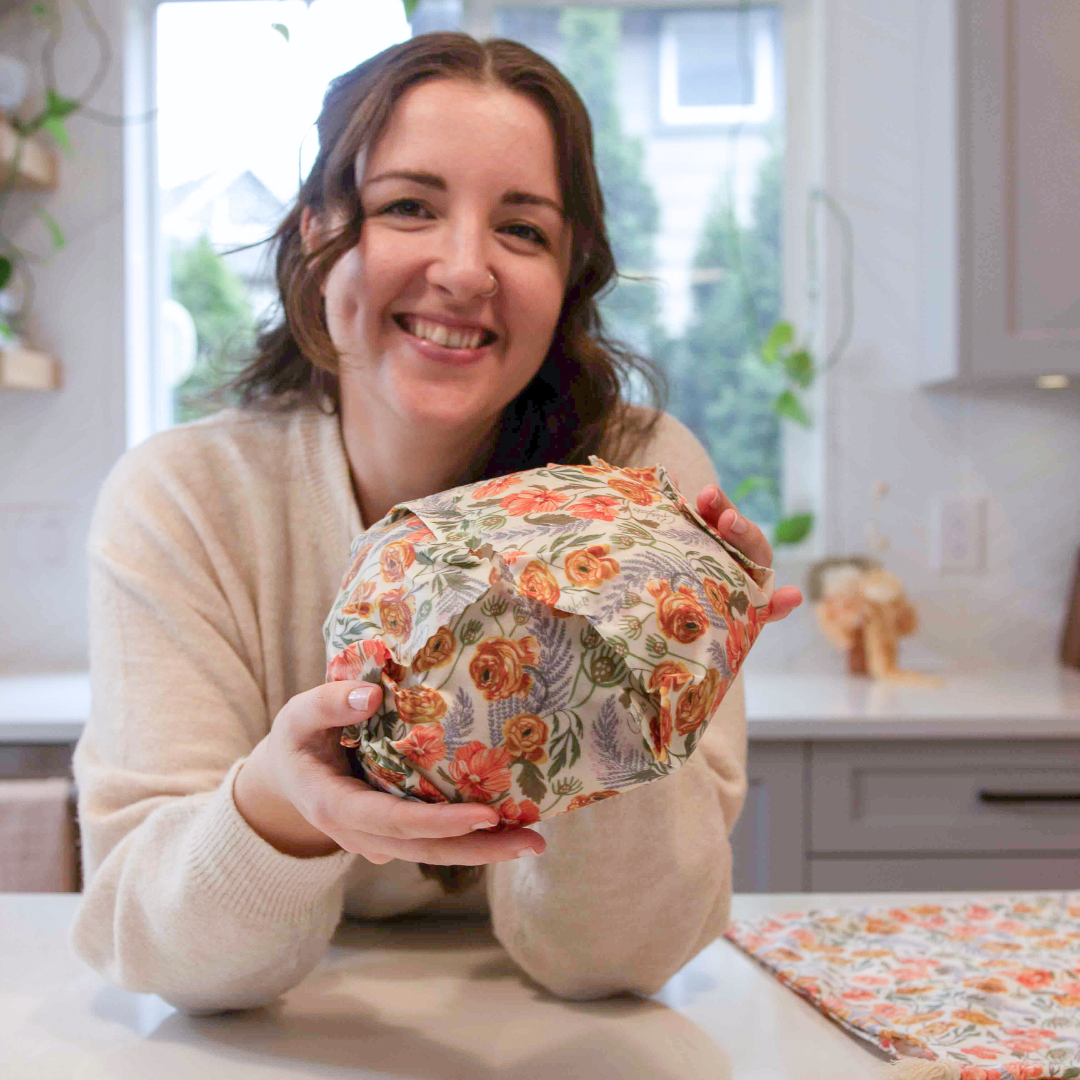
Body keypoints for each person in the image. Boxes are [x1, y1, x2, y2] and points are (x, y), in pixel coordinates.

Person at [70, 32, 802, 1012]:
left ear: (569, 276)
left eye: (524, 230)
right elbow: (166, 958)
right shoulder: (185, 501)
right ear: (319, 234)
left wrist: (639, 678)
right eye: (409, 206)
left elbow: (617, 963)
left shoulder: (644, 487)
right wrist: (283, 802)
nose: (465, 269)